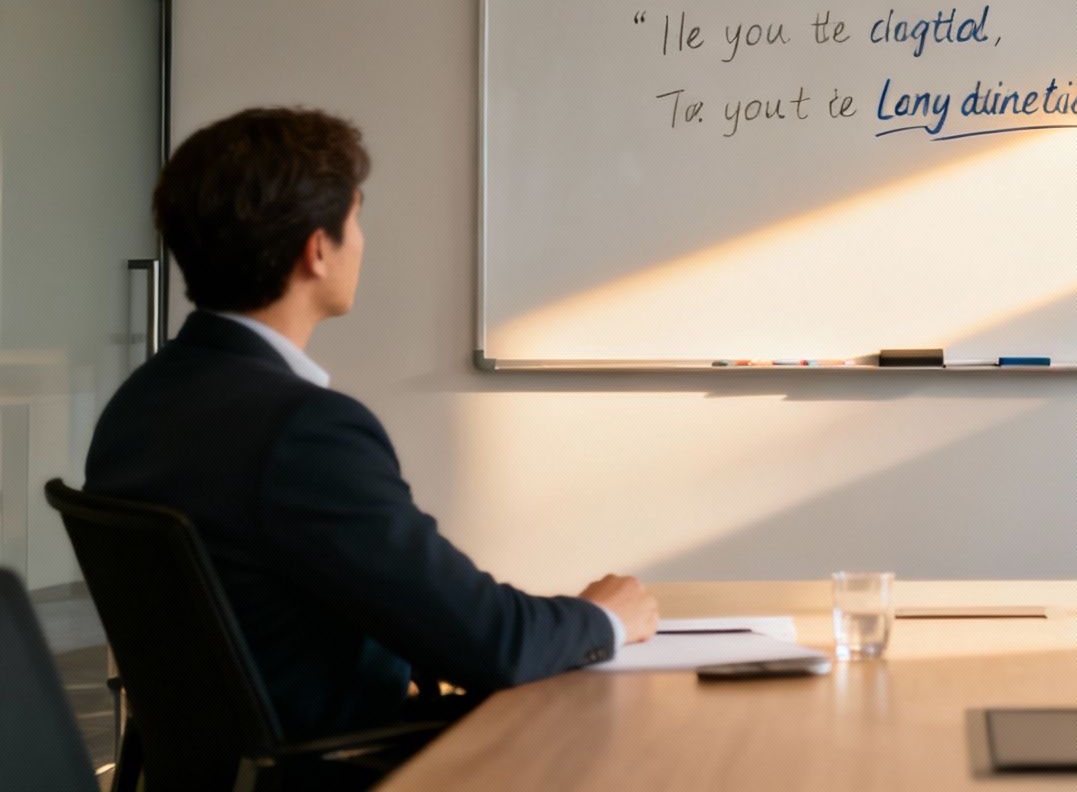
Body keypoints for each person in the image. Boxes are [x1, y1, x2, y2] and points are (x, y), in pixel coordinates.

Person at [86, 107, 659, 741]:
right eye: (357, 220)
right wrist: (602, 618)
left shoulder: (139, 402)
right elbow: (490, 644)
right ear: (317, 250)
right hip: (335, 764)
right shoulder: (304, 431)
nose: (362, 239)